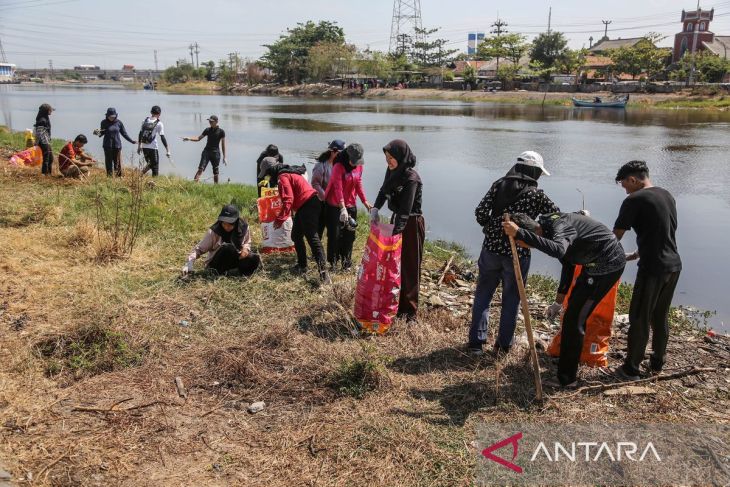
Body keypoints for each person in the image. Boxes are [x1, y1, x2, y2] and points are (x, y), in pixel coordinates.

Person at [503, 212, 626, 388]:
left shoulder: (558, 227)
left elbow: (558, 250)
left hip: (607, 267)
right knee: (572, 316)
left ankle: (567, 378)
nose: (518, 244)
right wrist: (559, 301)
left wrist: (520, 233)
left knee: (574, 320)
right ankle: (568, 360)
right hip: (591, 266)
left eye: (517, 241)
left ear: (528, 232)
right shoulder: (548, 229)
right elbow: (568, 263)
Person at [469, 151, 559, 356]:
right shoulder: (537, 195)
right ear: (533, 171)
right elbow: (556, 217)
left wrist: (493, 227)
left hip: (490, 249)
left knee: (483, 294)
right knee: (512, 299)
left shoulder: (499, 184)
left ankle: (476, 344)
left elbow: (480, 213)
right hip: (518, 252)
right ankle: (503, 346)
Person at [612, 160, 682, 381]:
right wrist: (637, 252)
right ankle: (657, 362)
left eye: (624, 184)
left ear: (633, 180)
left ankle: (631, 368)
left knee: (640, 317)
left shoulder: (634, 200)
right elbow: (663, 230)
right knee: (659, 316)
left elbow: (615, 236)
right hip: (674, 265)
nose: (624, 189)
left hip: (652, 268)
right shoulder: (666, 194)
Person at [370, 139, 424, 322]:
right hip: (398, 221)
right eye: (387, 157)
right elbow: (384, 190)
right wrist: (375, 209)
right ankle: (396, 304)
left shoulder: (411, 178)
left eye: (392, 158)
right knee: (395, 265)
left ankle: (410, 313)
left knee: (410, 266)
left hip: (411, 223)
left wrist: (396, 233)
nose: (389, 161)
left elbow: (405, 210)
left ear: (401, 157)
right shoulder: (392, 172)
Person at [258, 158, 331, 284]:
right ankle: (302, 266)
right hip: (307, 205)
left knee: (312, 239)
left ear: (271, 170)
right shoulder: (288, 172)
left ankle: (324, 274)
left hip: (308, 205)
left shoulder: (283, 176)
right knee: (296, 236)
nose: (268, 176)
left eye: (268, 173)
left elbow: (288, 199)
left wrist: (280, 218)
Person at [324, 143, 372, 271]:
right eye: (353, 161)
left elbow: (358, 183)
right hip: (335, 205)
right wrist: (342, 208)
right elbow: (337, 188)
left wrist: (365, 201)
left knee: (349, 236)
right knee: (335, 235)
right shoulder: (338, 167)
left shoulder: (358, 167)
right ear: (347, 156)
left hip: (351, 204)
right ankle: (333, 263)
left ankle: (346, 263)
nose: (355, 164)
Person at [182, 204, 260, 277]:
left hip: (236, 258)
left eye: (230, 224)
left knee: (254, 258)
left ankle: (236, 272)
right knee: (228, 247)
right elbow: (198, 249)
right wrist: (189, 263)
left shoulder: (243, 227)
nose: (226, 226)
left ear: (236, 221)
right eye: (224, 223)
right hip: (217, 263)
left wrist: (245, 249)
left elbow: (247, 242)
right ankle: (217, 273)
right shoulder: (214, 231)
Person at [312, 139, 344, 239]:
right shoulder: (321, 165)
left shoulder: (339, 165)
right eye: (341, 153)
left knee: (334, 230)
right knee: (319, 227)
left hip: (335, 202)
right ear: (333, 152)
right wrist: (325, 197)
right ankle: (316, 252)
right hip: (322, 202)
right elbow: (315, 184)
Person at [183, 115, 227, 184]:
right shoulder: (207, 130)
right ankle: (194, 185)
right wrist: (189, 138)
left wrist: (224, 157)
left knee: (216, 171)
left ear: (216, 122)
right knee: (200, 169)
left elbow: (223, 144)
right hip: (206, 152)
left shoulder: (221, 132)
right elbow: (198, 138)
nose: (210, 122)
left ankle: (216, 187)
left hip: (216, 153)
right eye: (209, 121)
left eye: (211, 121)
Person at [95, 107, 136, 177]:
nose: (112, 118)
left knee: (117, 163)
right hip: (107, 146)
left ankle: (118, 177)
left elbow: (124, 134)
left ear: (116, 115)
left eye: (113, 116)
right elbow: (101, 134)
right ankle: (110, 177)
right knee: (108, 163)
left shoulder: (119, 123)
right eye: (110, 117)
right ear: (107, 116)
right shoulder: (104, 122)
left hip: (117, 146)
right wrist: (97, 133)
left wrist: (131, 141)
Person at [137, 105, 170, 177]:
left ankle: (140, 174)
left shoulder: (144, 121)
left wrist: (139, 146)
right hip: (153, 148)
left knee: (150, 164)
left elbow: (140, 134)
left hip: (144, 146)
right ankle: (153, 183)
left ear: (151, 112)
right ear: (159, 114)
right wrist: (167, 150)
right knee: (155, 167)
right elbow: (162, 137)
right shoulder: (159, 123)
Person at [34, 103, 54, 175]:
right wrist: (36, 143)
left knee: (50, 158)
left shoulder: (45, 118)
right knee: (47, 159)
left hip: (46, 141)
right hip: (43, 142)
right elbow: (39, 133)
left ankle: (48, 173)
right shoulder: (42, 120)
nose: (51, 111)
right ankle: (44, 174)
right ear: (46, 111)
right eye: (50, 110)